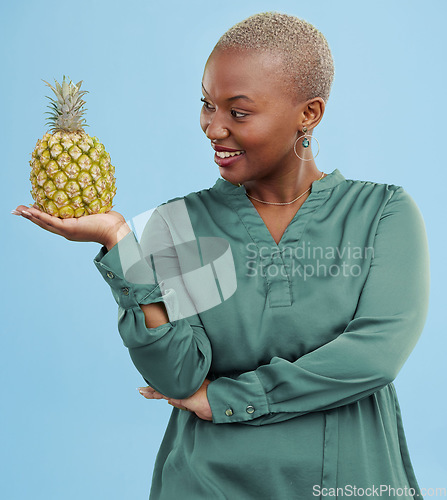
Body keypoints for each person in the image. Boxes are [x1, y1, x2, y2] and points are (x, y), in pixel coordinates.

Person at [14, 11, 429, 500]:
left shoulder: (380, 213)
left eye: (238, 112)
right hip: (204, 484)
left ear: (308, 113)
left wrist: (226, 398)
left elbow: (374, 356)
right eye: (207, 105)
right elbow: (177, 374)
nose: (213, 128)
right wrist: (120, 244)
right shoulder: (179, 223)